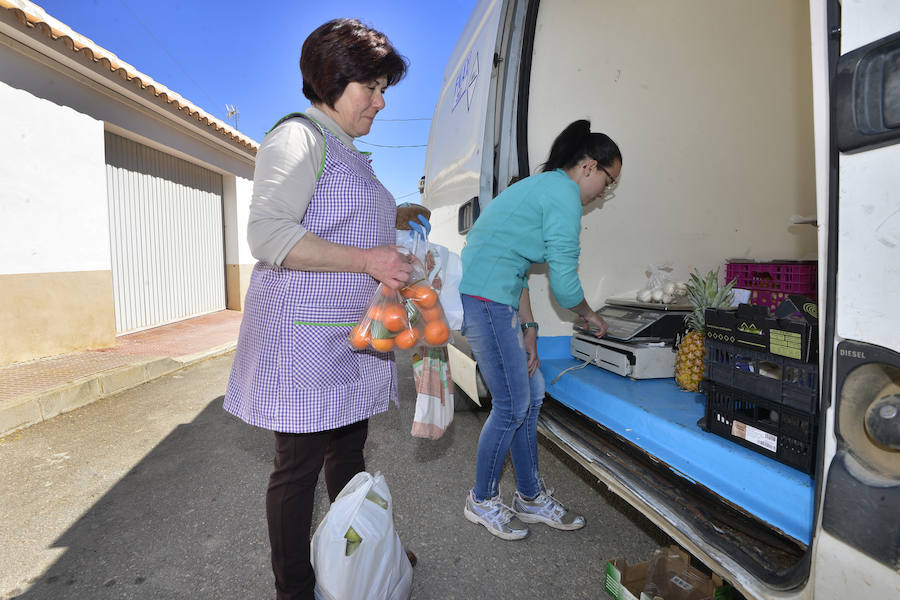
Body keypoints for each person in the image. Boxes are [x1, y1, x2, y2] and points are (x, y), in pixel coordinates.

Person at [222, 18, 426, 600]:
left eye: (385, 89)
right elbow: (268, 234)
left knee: (349, 449)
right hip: (303, 340)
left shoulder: (345, 148)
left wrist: (399, 215)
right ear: (335, 79)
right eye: (373, 88)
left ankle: (360, 549)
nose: (382, 103)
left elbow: (346, 215)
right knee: (298, 467)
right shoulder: (299, 138)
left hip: (346, 336)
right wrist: (369, 261)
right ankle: (294, 587)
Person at [458, 119, 622, 540]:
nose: (604, 192)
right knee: (512, 405)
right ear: (589, 167)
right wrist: (590, 315)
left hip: (496, 296)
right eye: (608, 180)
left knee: (531, 396)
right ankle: (481, 498)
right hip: (486, 299)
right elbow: (565, 286)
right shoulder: (563, 194)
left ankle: (529, 497)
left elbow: (517, 266)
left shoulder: (546, 186)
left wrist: (529, 327)